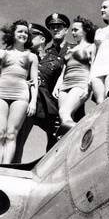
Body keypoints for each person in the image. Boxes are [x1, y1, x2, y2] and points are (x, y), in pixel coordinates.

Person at [14, 23, 63, 162]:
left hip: (47, 104)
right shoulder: (24, 55)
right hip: (27, 99)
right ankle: (12, 167)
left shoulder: (56, 59)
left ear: (42, 40)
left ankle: (53, 167)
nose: (28, 38)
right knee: (18, 138)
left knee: (60, 134)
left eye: (32, 35)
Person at [0, 20, 38, 164]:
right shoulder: (2, 53)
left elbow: (34, 82)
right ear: (12, 34)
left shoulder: (31, 56)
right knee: (0, 133)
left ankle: (5, 168)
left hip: (21, 95)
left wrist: (33, 101)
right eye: (20, 31)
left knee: (11, 134)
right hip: (1, 93)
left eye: (26, 33)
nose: (23, 35)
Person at [54, 16, 95, 133]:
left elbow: (94, 67)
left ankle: (82, 134)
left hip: (80, 83)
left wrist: (89, 86)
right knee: (64, 118)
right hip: (65, 86)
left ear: (85, 30)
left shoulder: (92, 47)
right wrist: (58, 85)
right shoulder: (70, 49)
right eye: (72, 30)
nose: (73, 32)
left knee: (64, 112)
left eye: (76, 30)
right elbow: (64, 70)